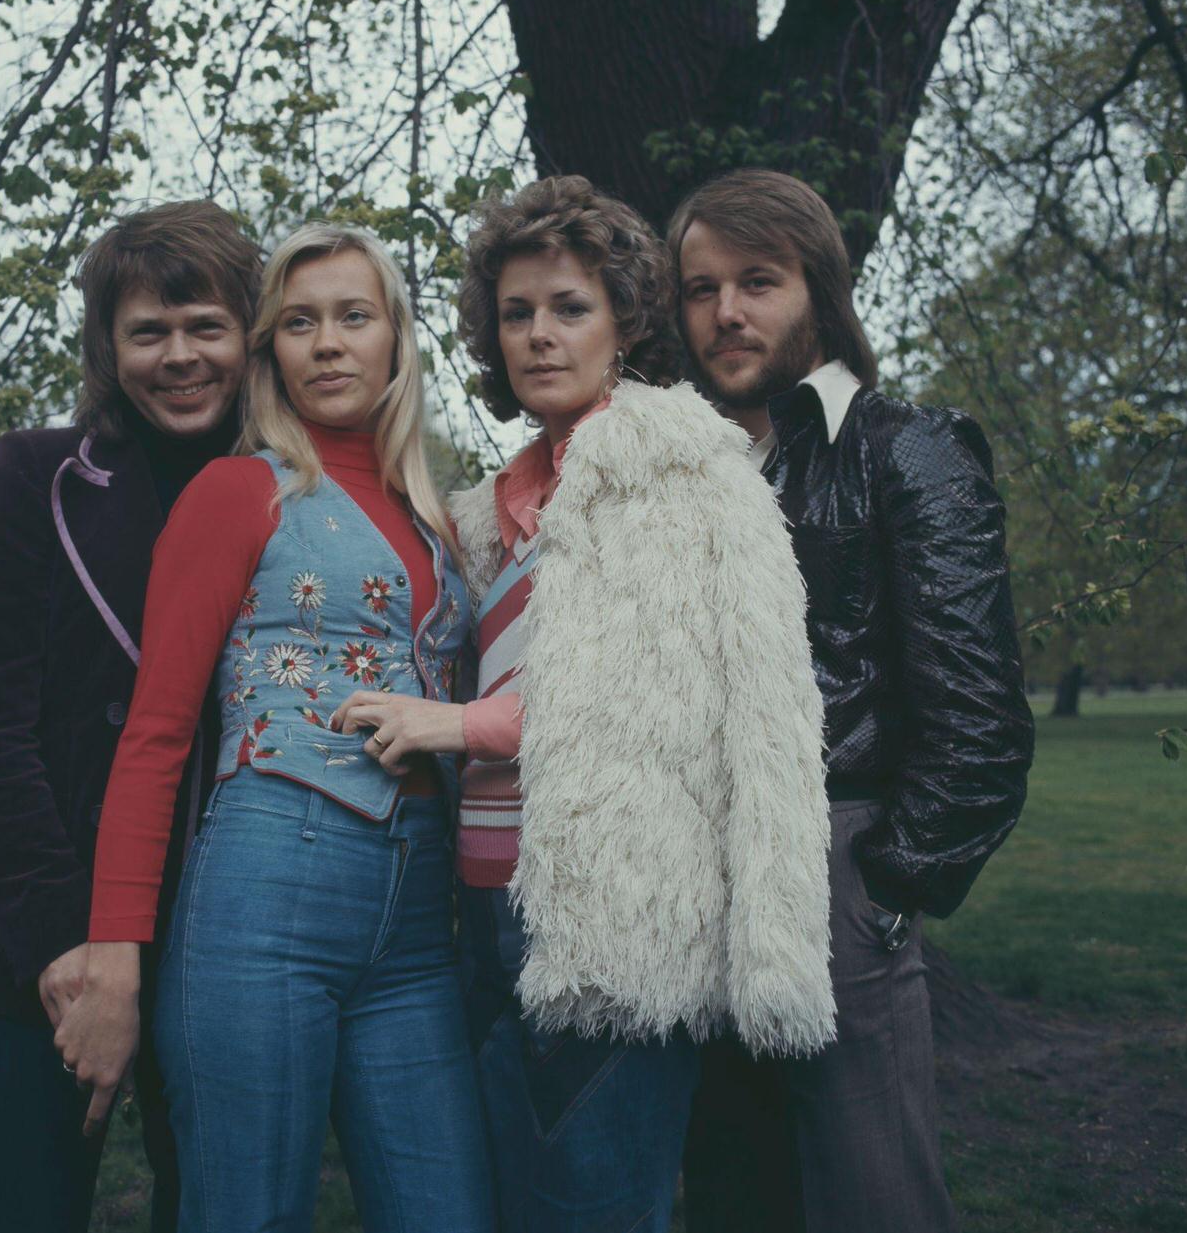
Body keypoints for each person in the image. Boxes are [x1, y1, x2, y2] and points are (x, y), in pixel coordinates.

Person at [330, 175, 836, 1233]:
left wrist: (450, 726)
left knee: (591, 1211)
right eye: (515, 313)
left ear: (625, 322)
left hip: (609, 928)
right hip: (479, 913)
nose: (539, 335)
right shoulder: (490, 507)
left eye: (569, 307)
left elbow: (639, 698)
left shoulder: (679, 471)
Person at [52, 224, 494, 1232]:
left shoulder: (437, 518)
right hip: (266, 898)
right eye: (298, 323)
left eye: (353, 316)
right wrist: (116, 954)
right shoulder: (239, 490)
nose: (327, 343)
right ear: (270, 352)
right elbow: (156, 733)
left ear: (395, 338)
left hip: (418, 925)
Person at [672, 169, 1035, 1233]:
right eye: (700, 288)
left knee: (871, 1196)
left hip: (837, 862)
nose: (725, 312)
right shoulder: (691, 466)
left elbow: (979, 720)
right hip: (699, 873)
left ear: (819, 294)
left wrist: (884, 884)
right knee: (733, 1193)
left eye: (757, 281)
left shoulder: (904, 447)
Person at [0, 199, 261, 1233]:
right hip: (44, 935)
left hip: (217, 939)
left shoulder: (291, 494)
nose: (180, 356)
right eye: (148, 331)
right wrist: (65, 946)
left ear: (248, 335)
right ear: (107, 346)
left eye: (206, 326)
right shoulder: (38, 476)